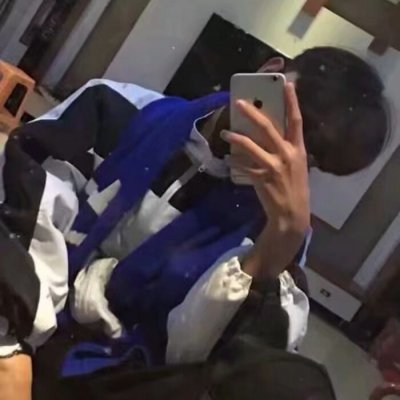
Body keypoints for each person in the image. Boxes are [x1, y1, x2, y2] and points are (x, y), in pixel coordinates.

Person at [0, 47, 389, 400]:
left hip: (125, 381)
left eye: (311, 154)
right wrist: (12, 347)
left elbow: (199, 362)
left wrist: (276, 247)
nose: (282, 147)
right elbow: (26, 212)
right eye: (287, 118)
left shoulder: (281, 232)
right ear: (267, 73)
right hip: (20, 320)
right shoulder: (118, 109)